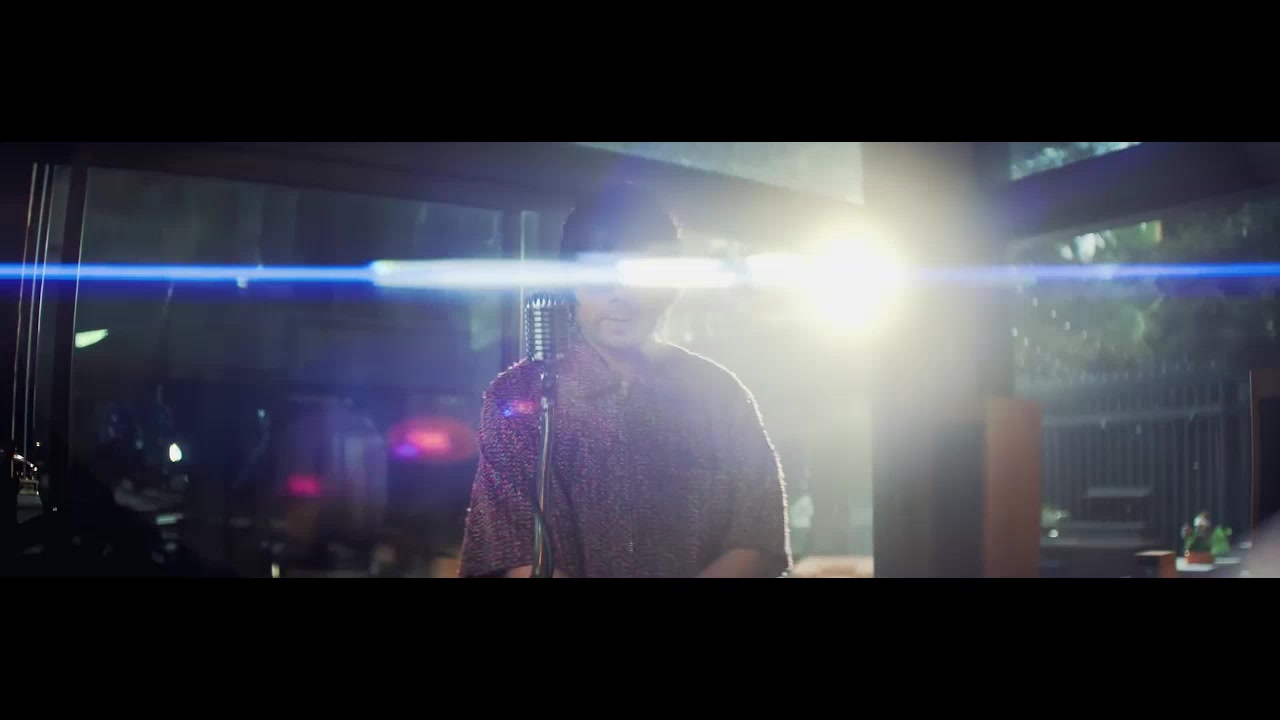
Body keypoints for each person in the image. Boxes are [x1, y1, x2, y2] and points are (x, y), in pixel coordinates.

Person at [459, 183, 790, 578]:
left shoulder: (719, 395)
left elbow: (759, 538)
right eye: (600, 276)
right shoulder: (522, 394)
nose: (621, 296)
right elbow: (515, 553)